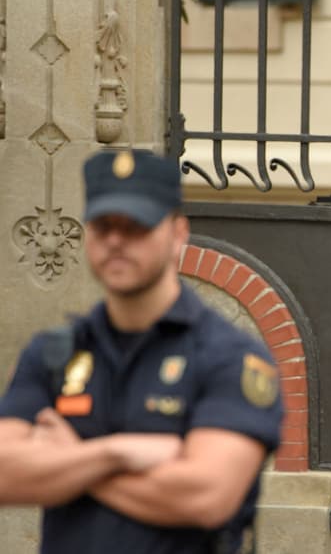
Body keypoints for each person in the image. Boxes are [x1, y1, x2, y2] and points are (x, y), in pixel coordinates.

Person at [0, 149, 284, 554]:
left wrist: (71, 460)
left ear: (178, 234)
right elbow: (6, 474)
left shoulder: (230, 358)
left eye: (137, 226)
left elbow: (206, 498)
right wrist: (114, 453)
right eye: (103, 226)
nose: (116, 240)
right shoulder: (53, 353)